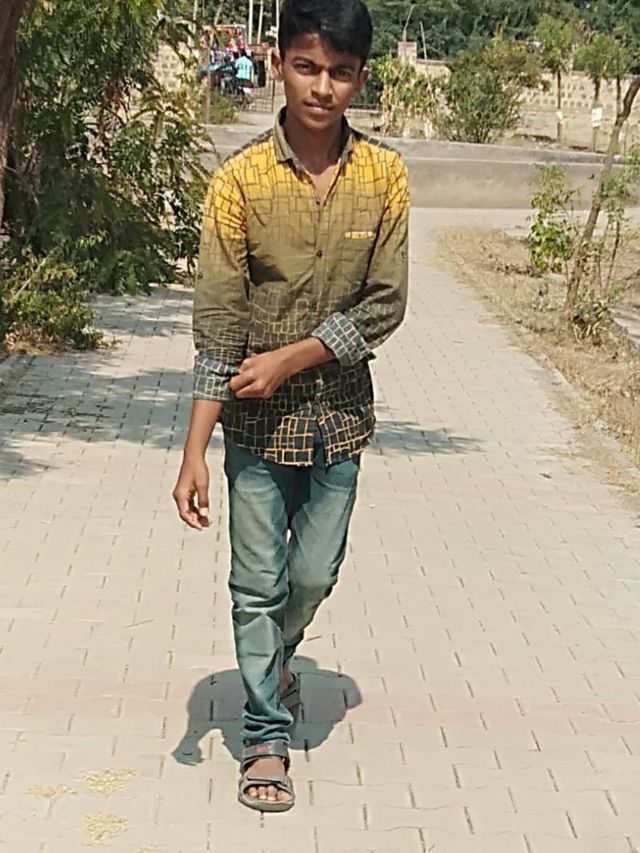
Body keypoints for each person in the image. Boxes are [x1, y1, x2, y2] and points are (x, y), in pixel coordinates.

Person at [172, 0, 409, 814]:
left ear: (360, 78)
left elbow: (385, 303)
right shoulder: (239, 181)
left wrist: (293, 357)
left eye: (339, 71)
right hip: (253, 427)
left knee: (311, 574)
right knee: (255, 582)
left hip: (340, 418)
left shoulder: (384, 177)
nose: (321, 86)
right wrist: (194, 451)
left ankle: (276, 657)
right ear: (279, 64)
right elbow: (218, 323)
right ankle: (265, 734)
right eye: (307, 67)